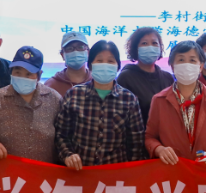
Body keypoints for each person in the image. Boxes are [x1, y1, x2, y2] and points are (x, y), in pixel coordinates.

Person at [54, 40, 147, 170]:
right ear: (90, 65)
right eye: (99, 61)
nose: (105, 65)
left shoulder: (129, 99)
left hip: (115, 174)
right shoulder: (74, 95)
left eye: (110, 61)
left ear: (118, 66)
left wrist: (131, 172)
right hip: (79, 173)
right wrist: (68, 154)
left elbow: (136, 143)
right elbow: (61, 134)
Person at [146, 41, 206, 165]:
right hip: (173, 169)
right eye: (181, 60)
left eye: (192, 60)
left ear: (201, 66)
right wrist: (158, 149)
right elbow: (150, 136)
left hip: (205, 169)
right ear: (172, 66)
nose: (187, 65)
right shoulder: (159, 100)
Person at [0, 46, 62, 163]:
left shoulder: (54, 99)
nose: (22, 78)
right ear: (11, 72)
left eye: (28, 74)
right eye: (17, 72)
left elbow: (63, 137)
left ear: (39, 75)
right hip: (6, 172)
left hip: (45, 172)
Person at [116, 27, 174, 122]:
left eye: (154, 43)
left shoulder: (168, 77)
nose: (150, 47)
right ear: (136, 48)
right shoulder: (125, 77)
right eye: (144, 43)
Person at [46, 31, 92, 97]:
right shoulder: (51, 86)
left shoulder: (98, 82)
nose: (75, 51)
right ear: (62, 55)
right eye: (69, 48)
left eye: (80, 47)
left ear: (88, 52)